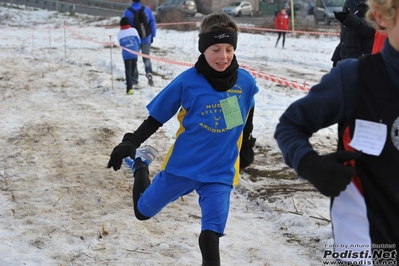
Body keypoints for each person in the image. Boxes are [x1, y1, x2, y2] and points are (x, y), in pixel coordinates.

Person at [107, 13, 258, 266]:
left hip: (221, 172)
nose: (223, 56)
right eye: (216, 49)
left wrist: (246, 147)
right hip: (184, 166)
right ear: (203, 48)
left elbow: (247, 114)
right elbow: (157, 118)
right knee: (142, 212)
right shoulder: (187, 82)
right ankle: (142, 165)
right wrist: (132, 141)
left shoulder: (246, 82)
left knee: (211, 236)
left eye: (229, 48)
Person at [274, 0, 399, 263]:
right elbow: (290, 125)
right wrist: (308, 164)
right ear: (383, 16)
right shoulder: (355, 77)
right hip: (366, 243)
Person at [331, 0, 375, 66]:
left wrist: (349, 19)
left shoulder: (371, 2)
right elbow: (346, 32)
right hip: (346, 59)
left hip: (362, 61)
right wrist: (337, 55)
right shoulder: (349, 2)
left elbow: (372, 28)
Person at [123, 0, 156, 86]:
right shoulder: (147, 9)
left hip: (134, 40)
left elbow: (126, 27)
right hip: (147, 38)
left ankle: (134, 79)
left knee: (134, 59)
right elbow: (152, 22)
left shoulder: (128, 11)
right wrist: (152, 35)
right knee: (146, 57)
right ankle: (149, 73)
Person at [118, 17, 141, 95]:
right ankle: (132, 82)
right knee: (133, 69)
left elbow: (121, 44)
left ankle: (129, 88)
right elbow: (139, 41)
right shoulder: (134, 30)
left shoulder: (120, 33)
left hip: (126, 55)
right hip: (134, 53)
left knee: (128, 70)